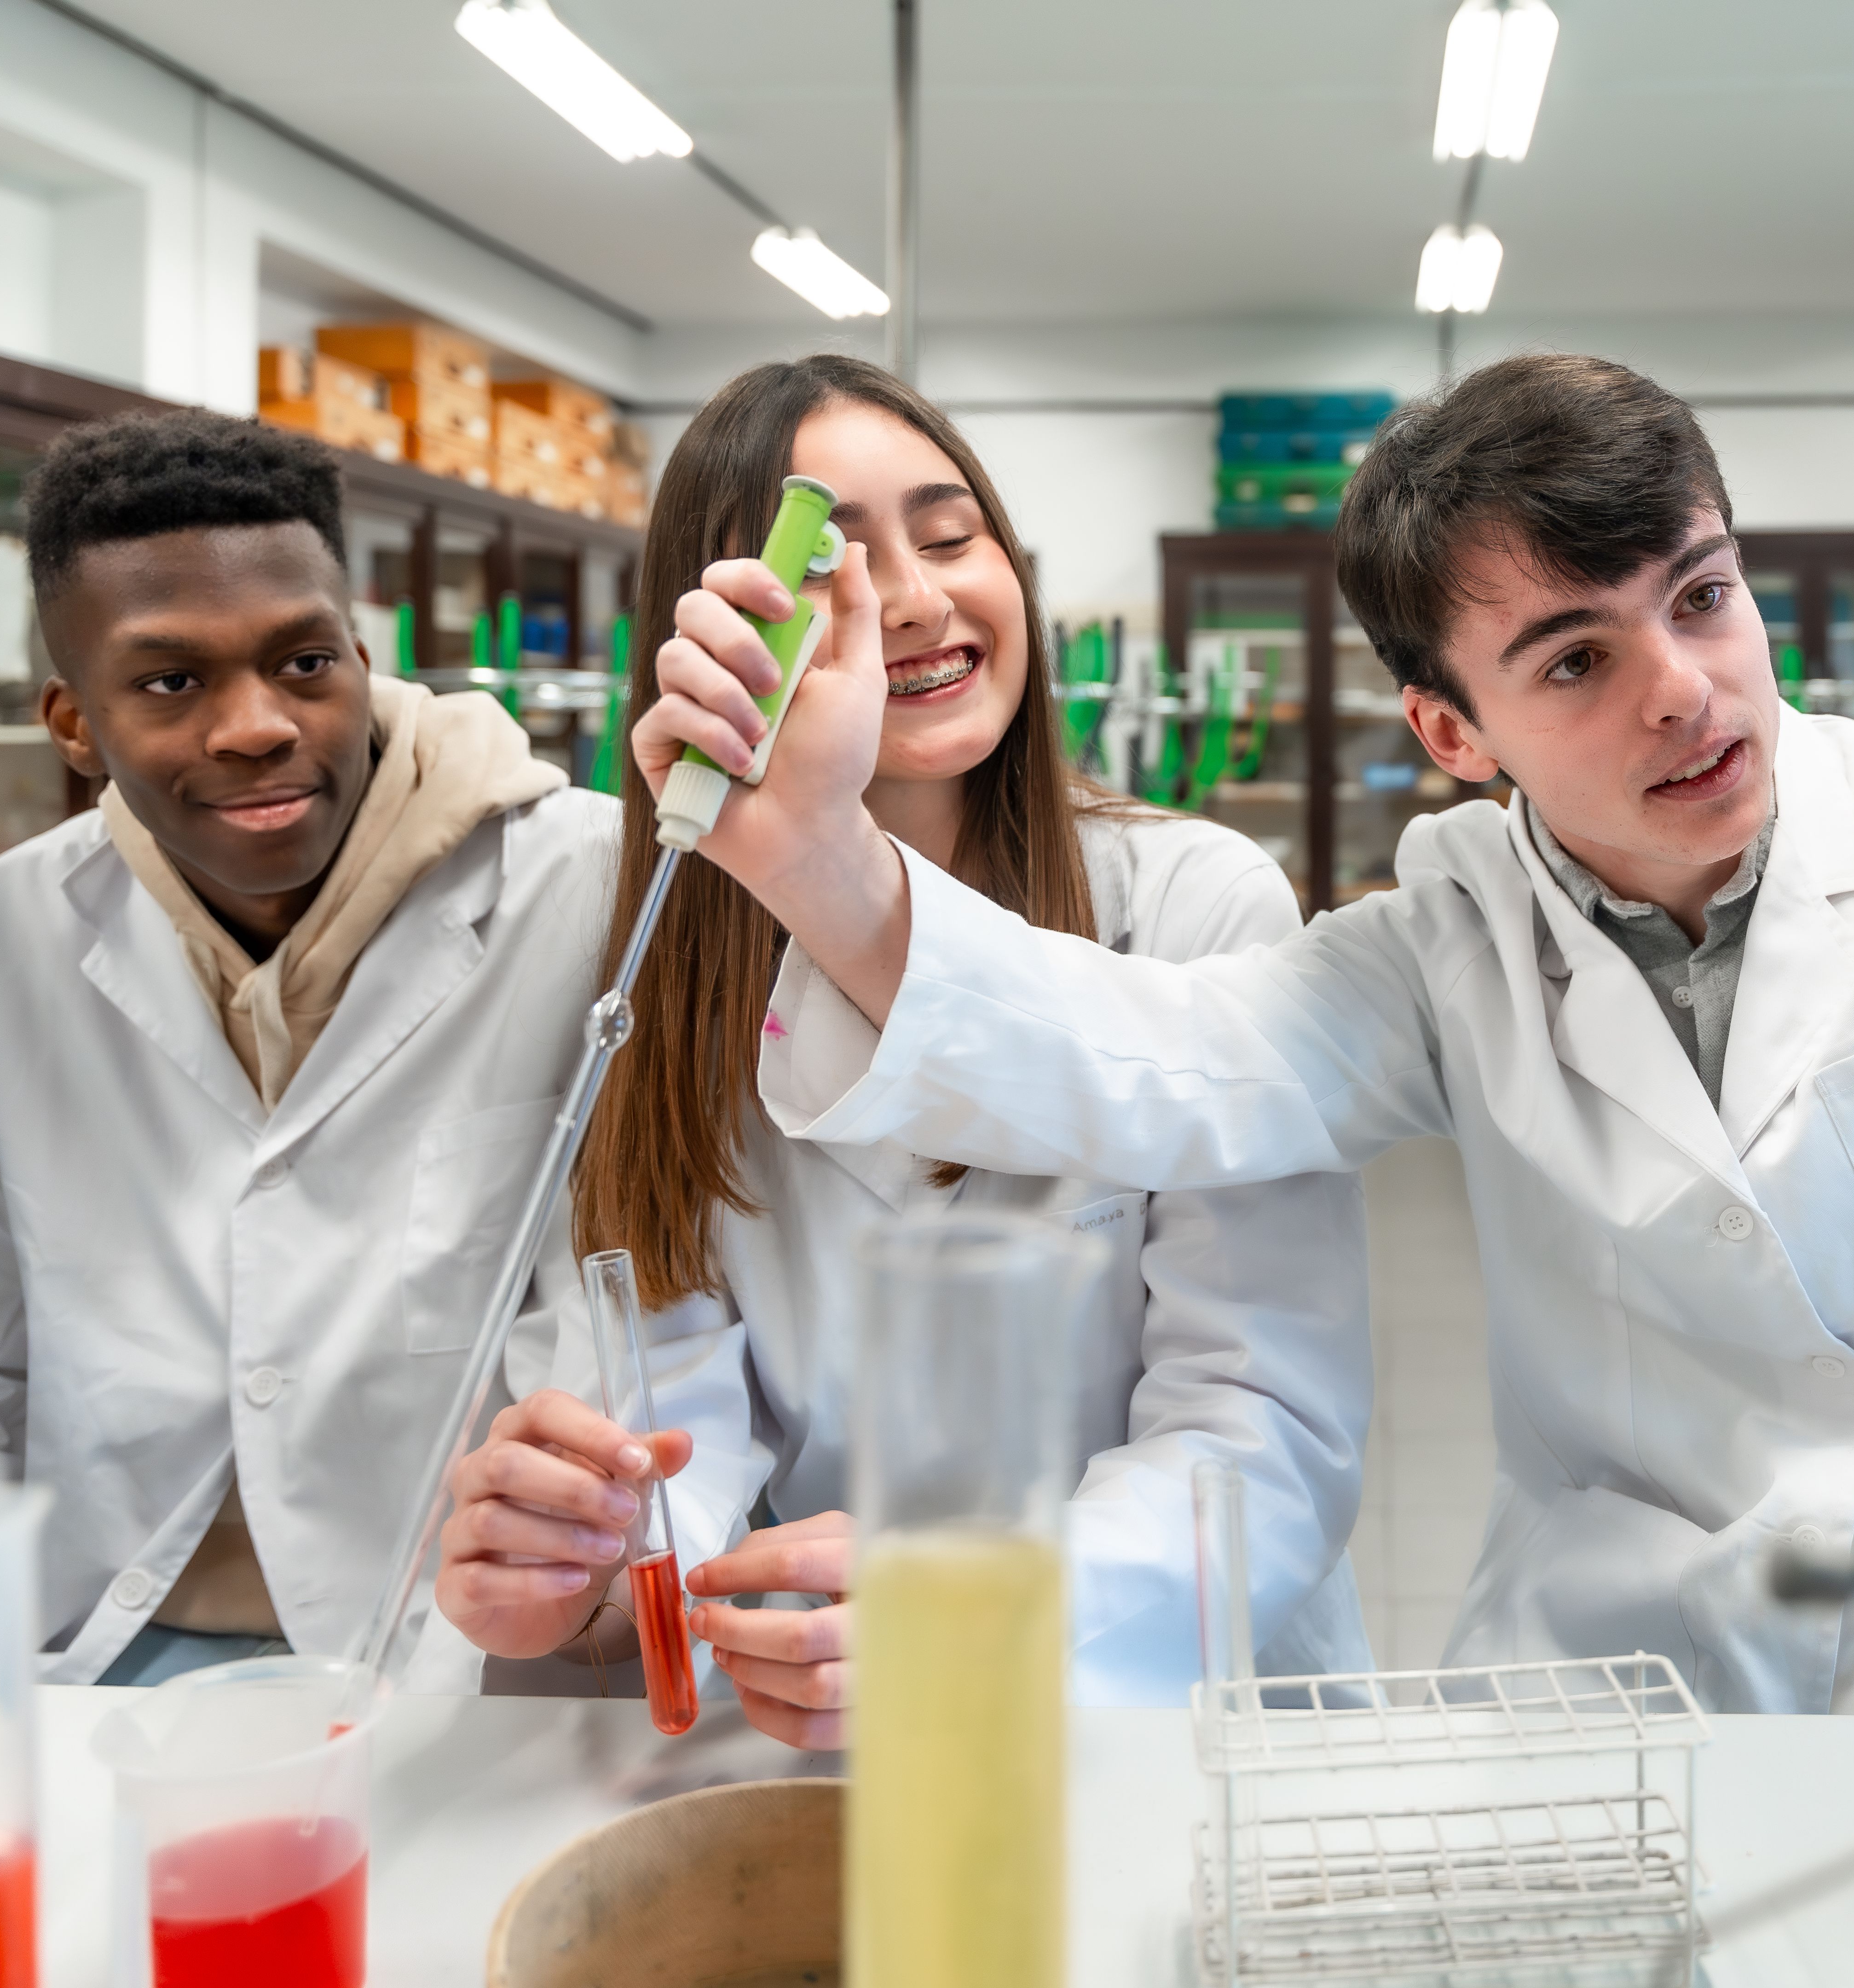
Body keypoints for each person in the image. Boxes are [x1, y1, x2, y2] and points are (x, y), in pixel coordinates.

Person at [635, 112, 1854, 1717]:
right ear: (1451, 734)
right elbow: (1155, 1060)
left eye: (1700, 597)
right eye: (1574, 658)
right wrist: (811, 856)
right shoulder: (1446, 947)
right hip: (1627, 1708)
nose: (1684, 692)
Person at [432, 356, 1374, 1742]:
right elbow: (666, 1403)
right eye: (835, 569)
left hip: (1158, 1710)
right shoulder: (668, 952)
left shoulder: (1191, 900)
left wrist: (980, 1617)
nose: (919, 601)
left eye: (950, 536)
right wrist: (586, 1567)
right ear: (713, 632)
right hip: (819, 1710)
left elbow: (1258, 1432)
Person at [0, 409, 624, 1687]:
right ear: (73, 724)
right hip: (104, 1644)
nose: (257, 725)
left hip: (452, 1655)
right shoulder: (9, 931)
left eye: (304, 662)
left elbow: (614, 1349)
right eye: (171, 683)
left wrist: (484, 1660)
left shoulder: (587, 884)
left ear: (361, 658)